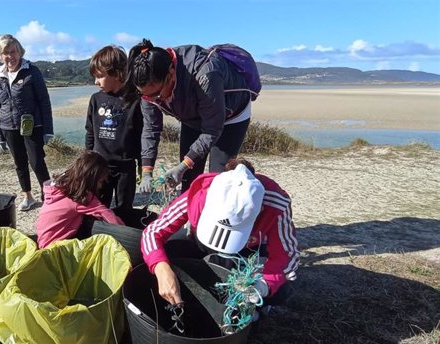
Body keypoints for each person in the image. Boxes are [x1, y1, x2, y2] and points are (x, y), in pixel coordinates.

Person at [140, 158, 299, 307]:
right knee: (168, 251)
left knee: (281, 290)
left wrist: (263, 285)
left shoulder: (275, 204)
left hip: (246, 253)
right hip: (202, 243)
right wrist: (162, 269)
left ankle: (254, 308)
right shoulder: (201, 192)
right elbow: (152, 233)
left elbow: (287, 255)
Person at [123, 39, 255, 193]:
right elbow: (151, 129)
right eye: (146, 96)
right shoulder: (149, 89)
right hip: (191, 116)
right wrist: (146, 171)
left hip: (231, 116)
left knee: (219, 180)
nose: (153, 100)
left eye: (157, 95)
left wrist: (182, 166)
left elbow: (211, 130)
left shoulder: (205, 74)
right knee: (188, 181)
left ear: (171, 74)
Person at [0, 34, 53, 212]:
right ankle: (28, 196)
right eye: (6, 53)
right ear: (0, 55)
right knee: (19, 163)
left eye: (13, 51)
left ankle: (48, 198)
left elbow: (44, 100)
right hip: (8, 127)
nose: (10, 56)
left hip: (32, 125)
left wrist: (48, 129)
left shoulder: (31, 71)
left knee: (37, 162)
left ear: (19, 51)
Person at [85, 45, 144, 211]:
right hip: (100, 165)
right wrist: (88, 159)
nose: (96, 82)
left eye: (100, 76)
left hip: (125, 167)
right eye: (95, 77)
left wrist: (142, 164)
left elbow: (141, 135)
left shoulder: (135, 100)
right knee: (98, 208)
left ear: (117, 74)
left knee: (124, 208)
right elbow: (90, 131)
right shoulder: (95, 99)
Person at [36, 150, 124, 249]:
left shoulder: (59, 186)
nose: (101, 186)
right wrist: (128, 233)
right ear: (91, 179)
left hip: (43, 241)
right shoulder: (80, 197)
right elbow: (108, 214)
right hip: (56, 248)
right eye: (100, 181)